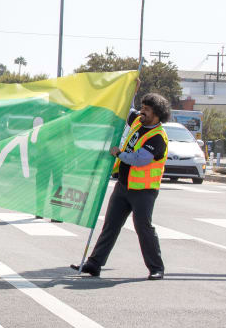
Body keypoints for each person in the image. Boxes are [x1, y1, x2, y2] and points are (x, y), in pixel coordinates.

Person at [71, 91, 171, 280]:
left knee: (143, 227)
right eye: (142, 108)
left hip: (144, 191)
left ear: (157, 114)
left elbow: (139, 160)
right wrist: (131, 88)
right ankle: (94, 263)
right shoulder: (137, 121)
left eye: (147, 110)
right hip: (124, 186)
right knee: (110, 225)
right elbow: (128, 107)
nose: (142, 112)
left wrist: (118, 154)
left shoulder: (157, 138)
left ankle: (156, 267)